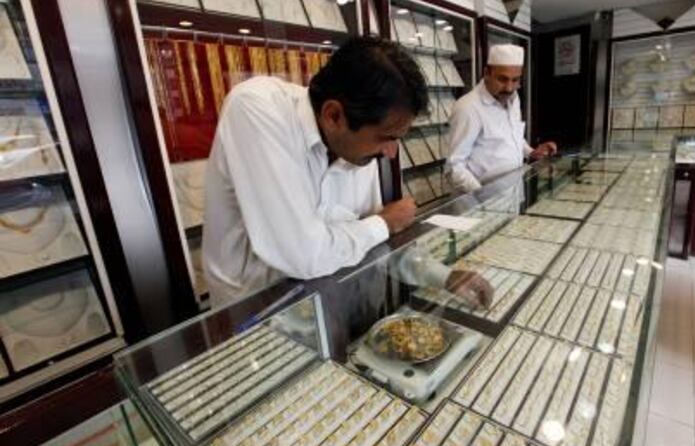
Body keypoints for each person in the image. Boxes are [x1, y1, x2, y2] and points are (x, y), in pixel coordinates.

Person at [203, 36, 492, 308]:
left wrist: (443, 276)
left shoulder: (357, 148)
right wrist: (384, 222)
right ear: (334, 116)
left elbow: (375, 243)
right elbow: (304, 255)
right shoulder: (257, 108)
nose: (391, 153)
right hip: (252, 312)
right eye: (387, 137)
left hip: (324, 302)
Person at [446, 44, 558, 192]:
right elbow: (454, 167)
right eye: (502, 79)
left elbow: (513, 136)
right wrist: (484, 199)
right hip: (484, 202)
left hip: (514, 191)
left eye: (515, 80)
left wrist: (532, 152)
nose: (509, 88)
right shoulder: (468, 107)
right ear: (487, 73)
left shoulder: (514, 98)